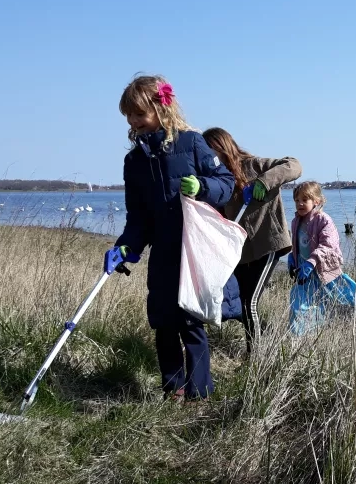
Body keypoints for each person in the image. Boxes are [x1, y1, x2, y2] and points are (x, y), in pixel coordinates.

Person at [104, 74, 238, 402]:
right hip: (163, 251)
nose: (135, 122)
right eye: (129, 116)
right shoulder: (134, 161)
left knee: (192, 323)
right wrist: (127, 246)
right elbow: (138, 216)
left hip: (194, 249)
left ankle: (200, 392)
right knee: (163, 322)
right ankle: (173, 389)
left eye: (140, 114)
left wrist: (203, 187)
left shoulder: (192, 143)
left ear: (162, 108)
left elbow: (226, 182)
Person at [202, 127, 303, 353]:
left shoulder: (254, 165)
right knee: (238, 305)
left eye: (210, 151)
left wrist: (264, 182)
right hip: (239, 252)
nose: (208, 157)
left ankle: (255, 358)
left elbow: (294, 165)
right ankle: (266, 335)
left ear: (222, 146)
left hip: (268, 243)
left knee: (250, 304)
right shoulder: (218, 179)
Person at [288, 181, 356, 335]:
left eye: (304, 200)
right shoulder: (296, 222)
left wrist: (312, 261)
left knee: (342, 300)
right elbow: (296, 244)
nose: (300, 203)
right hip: (304, 274)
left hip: (323, 272)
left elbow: (329, 245)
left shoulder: (324, 220)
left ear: (317, 201)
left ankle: (346, 322)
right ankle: (299, 335)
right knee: (298, 304)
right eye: (297, 200)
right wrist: (292, 257)